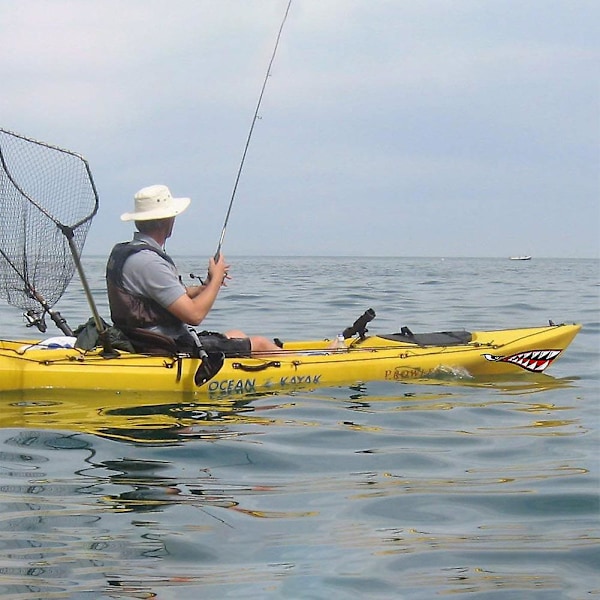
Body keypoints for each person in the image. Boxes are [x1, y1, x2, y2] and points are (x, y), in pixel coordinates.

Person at [106, 184, 283, 357]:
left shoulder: (128, 252)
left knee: (237, 334)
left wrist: (206, 286)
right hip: (165, 346)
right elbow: (195, 315)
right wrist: (216, 278)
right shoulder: (148, 262)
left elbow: (170, 295)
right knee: (260, 344)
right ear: (167, 221)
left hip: (146, 340)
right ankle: (303, 370)